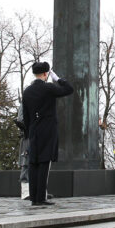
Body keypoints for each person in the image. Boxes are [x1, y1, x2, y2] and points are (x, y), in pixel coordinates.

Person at [22, 61, 74, 206]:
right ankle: (41, 197)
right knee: (44, 162)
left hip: (33, 130)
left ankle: (34, 197)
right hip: (47, 129)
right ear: (45, 74)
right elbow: (69, 89)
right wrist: (57, 79)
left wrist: (28, 133)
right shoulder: (48, 88)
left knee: (33, 163)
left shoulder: (27, 91)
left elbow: (25, 116)